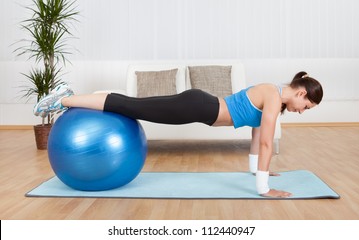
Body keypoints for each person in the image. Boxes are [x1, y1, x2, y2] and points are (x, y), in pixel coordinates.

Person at [33, 71, 323, 198]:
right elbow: (265, 140)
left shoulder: (273, 95)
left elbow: (256, 131)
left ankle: (79, 98)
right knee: (130, 106)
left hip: (199, 105)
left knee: (133, 106)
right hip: (196, 107)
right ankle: (66, 99)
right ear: (300, 92)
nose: (301, 110)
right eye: (305, 105)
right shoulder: (273, 95)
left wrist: (257, 170)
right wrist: (264, 189)